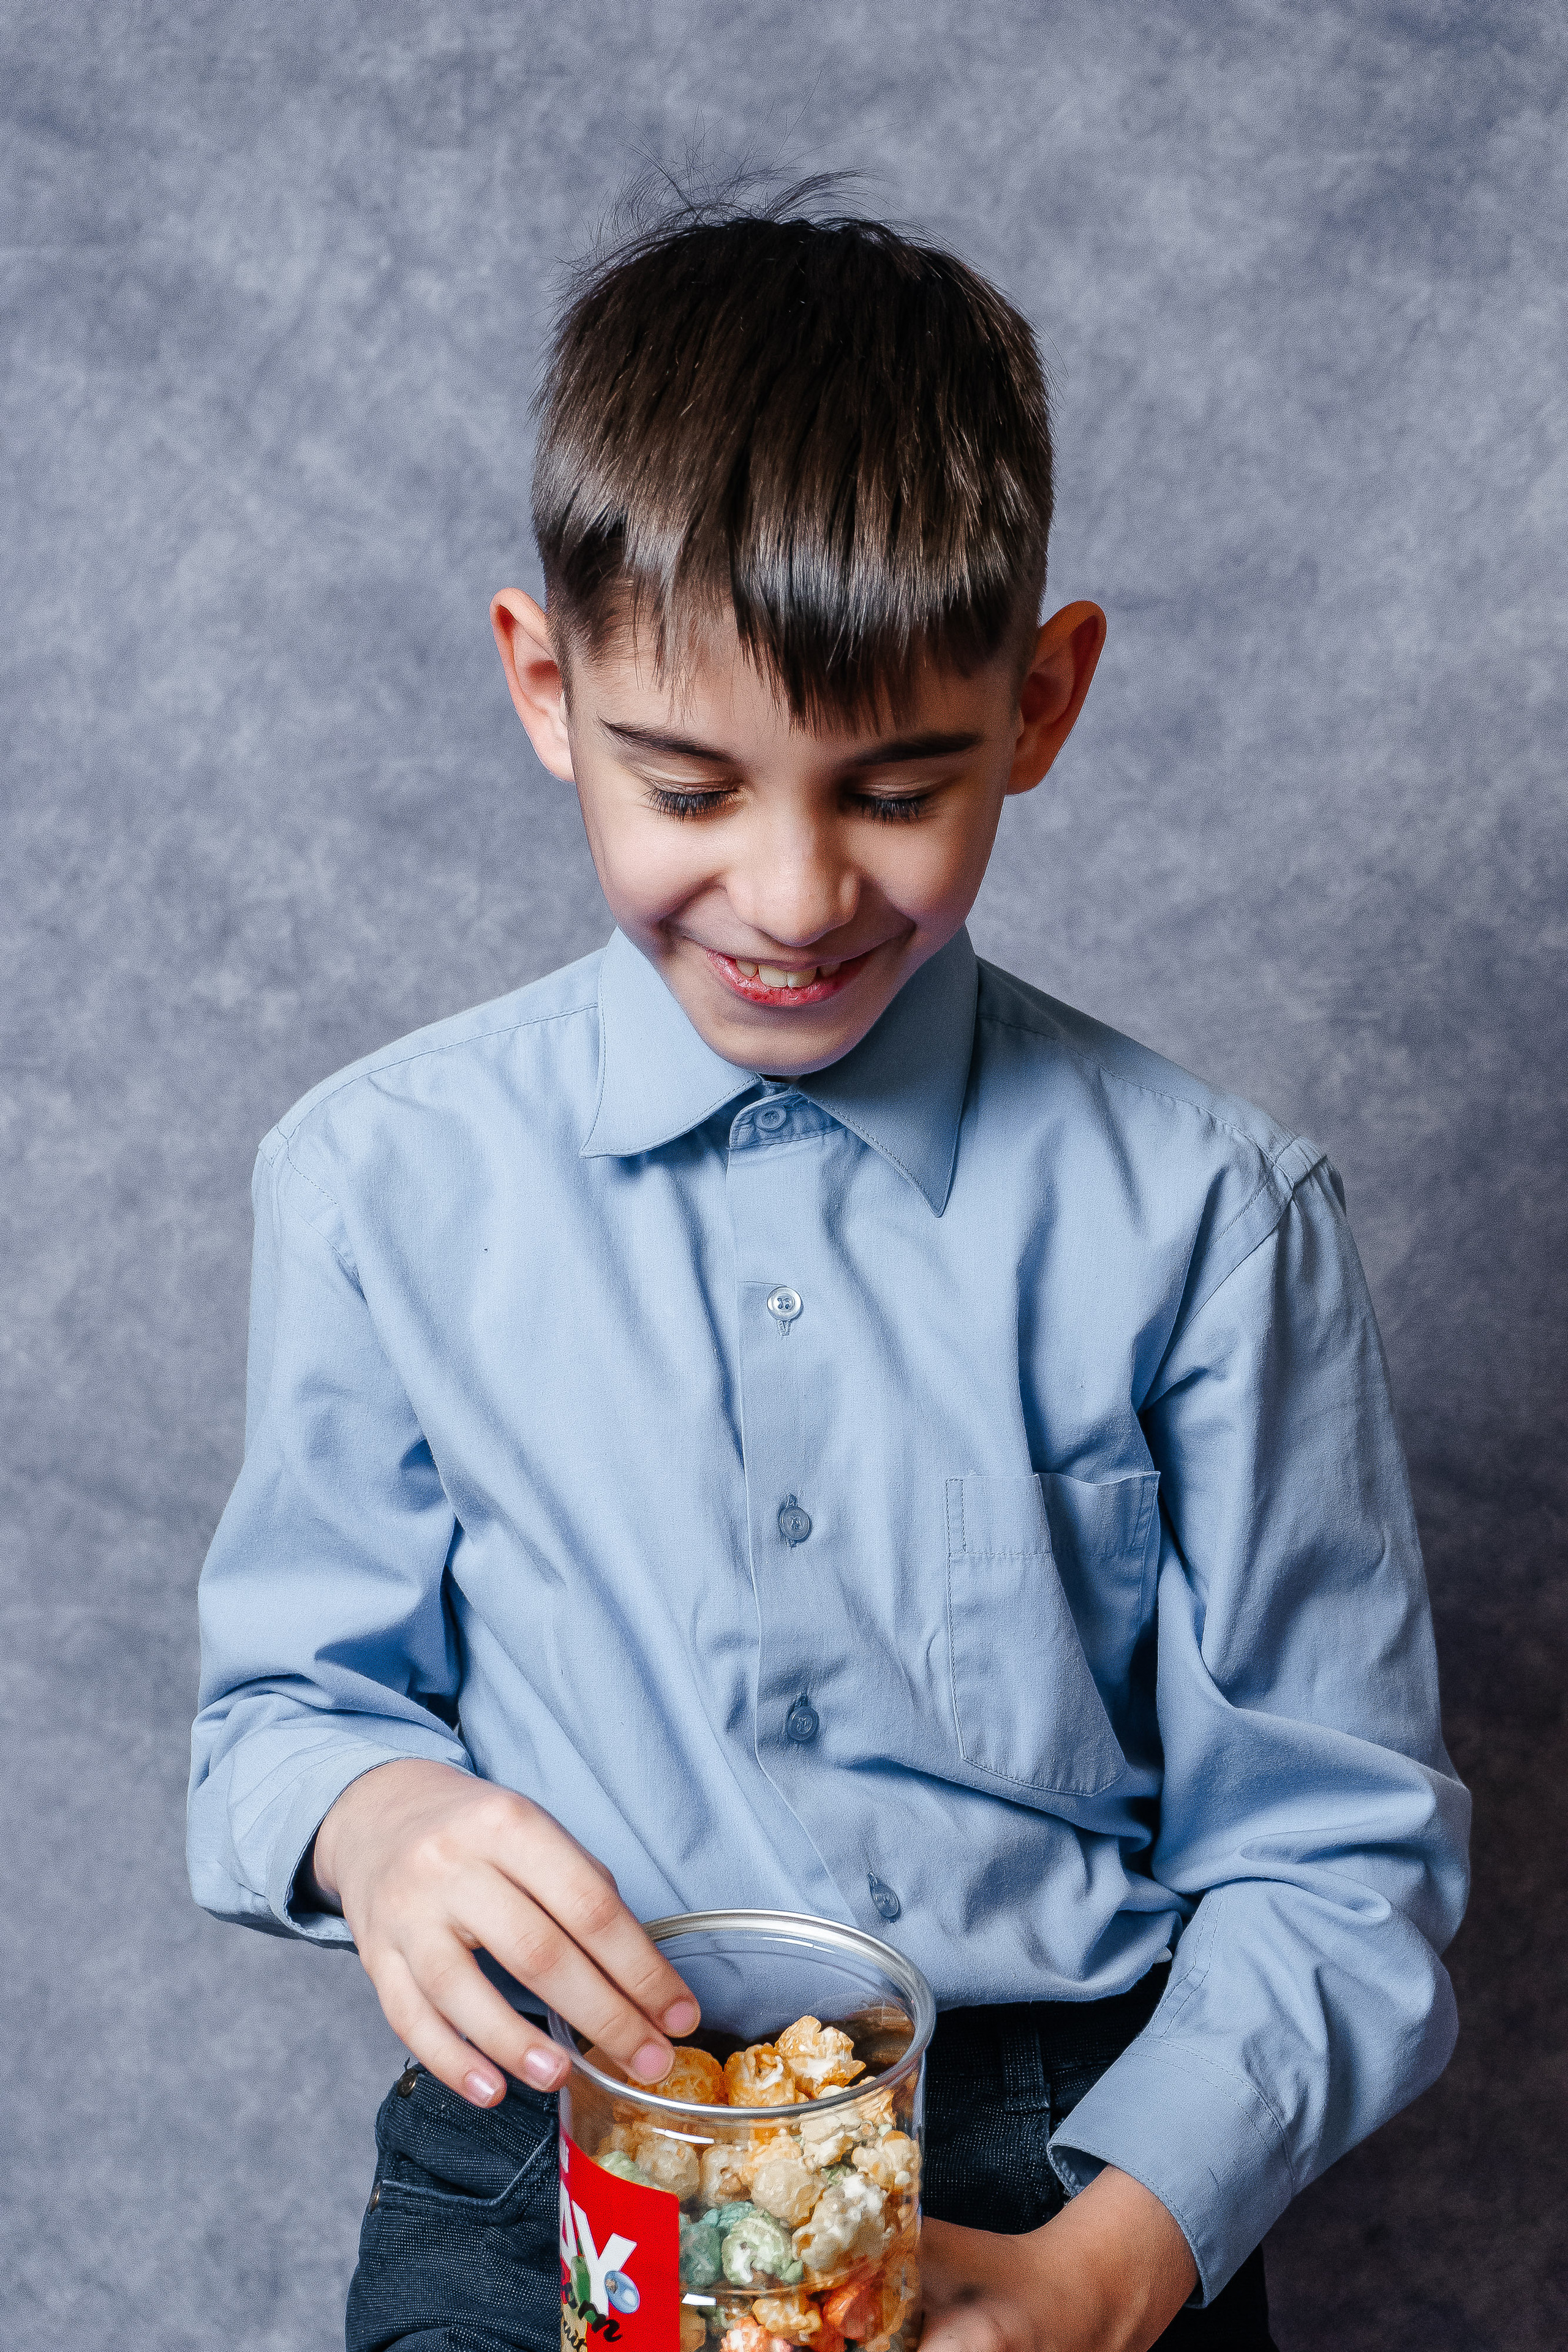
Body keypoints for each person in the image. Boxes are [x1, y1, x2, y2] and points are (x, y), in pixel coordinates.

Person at [188, 192, 1469, 2352]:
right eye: (687, 784)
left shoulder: (1217, 1221)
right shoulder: (372, 1185)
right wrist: (377, 1819)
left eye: (896, 788)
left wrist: (1115, 2258)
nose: (790, 893)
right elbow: (274, 1716)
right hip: (552, 2151)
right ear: (543, 686)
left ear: (1042, 702)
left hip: (1071, 2148)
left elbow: (1333, 1855)